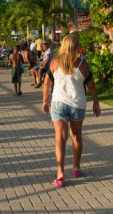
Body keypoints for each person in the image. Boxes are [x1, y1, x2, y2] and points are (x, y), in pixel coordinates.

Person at [42, 34, 101, 187]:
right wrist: (96, 103)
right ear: (77, 47)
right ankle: (76, 167)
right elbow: (91, 86)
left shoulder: (54, 63)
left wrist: (45, 100)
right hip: (78, 104)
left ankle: (60, 172)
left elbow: (47, 83)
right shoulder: (83, 65)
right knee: (76, 136)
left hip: (59, 103)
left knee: (60, 139)